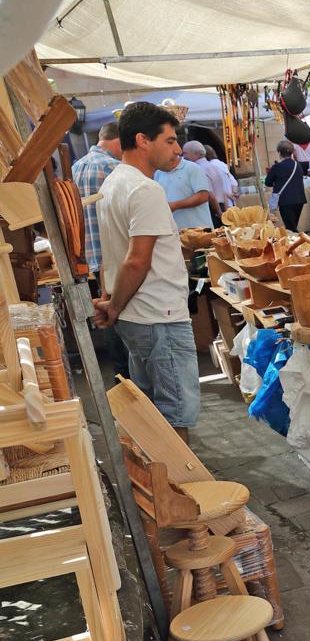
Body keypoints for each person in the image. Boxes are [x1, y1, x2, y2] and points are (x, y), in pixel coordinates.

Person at [92, 101, 200, 441]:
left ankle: (162, 484)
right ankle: (178, 489)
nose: (177, 149)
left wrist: (114, 304)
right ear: (143, 140)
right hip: (159, 316)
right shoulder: (145, 188)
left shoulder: (114, 183)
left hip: (144, 317)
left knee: (155, 408)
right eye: (169, 140)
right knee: (174, 414)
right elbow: (137, 260)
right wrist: (115, 306)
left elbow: (118, 254)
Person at [72, 121, 129, 378]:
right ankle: (129, 379)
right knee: (121, 317)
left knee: (107, 315)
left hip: (90, 255)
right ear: (118, 142)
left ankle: (120, 377)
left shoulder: (77, 166)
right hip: (114, 255)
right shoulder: (113, 167)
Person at [155, 143, 214, 231]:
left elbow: (203, 196)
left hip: (199, 231)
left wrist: (175, 205)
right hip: (175, 232)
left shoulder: (192, 168)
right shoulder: (158, 172)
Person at [264, 141, 306, 231]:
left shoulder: (277, 167)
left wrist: (276, 181)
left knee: (290, 227)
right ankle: (297, 241)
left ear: (279, 152)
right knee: (293, 224)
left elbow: (267, 182)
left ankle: (297, 242)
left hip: (285, 200)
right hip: (299, 198)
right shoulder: (297, 165)